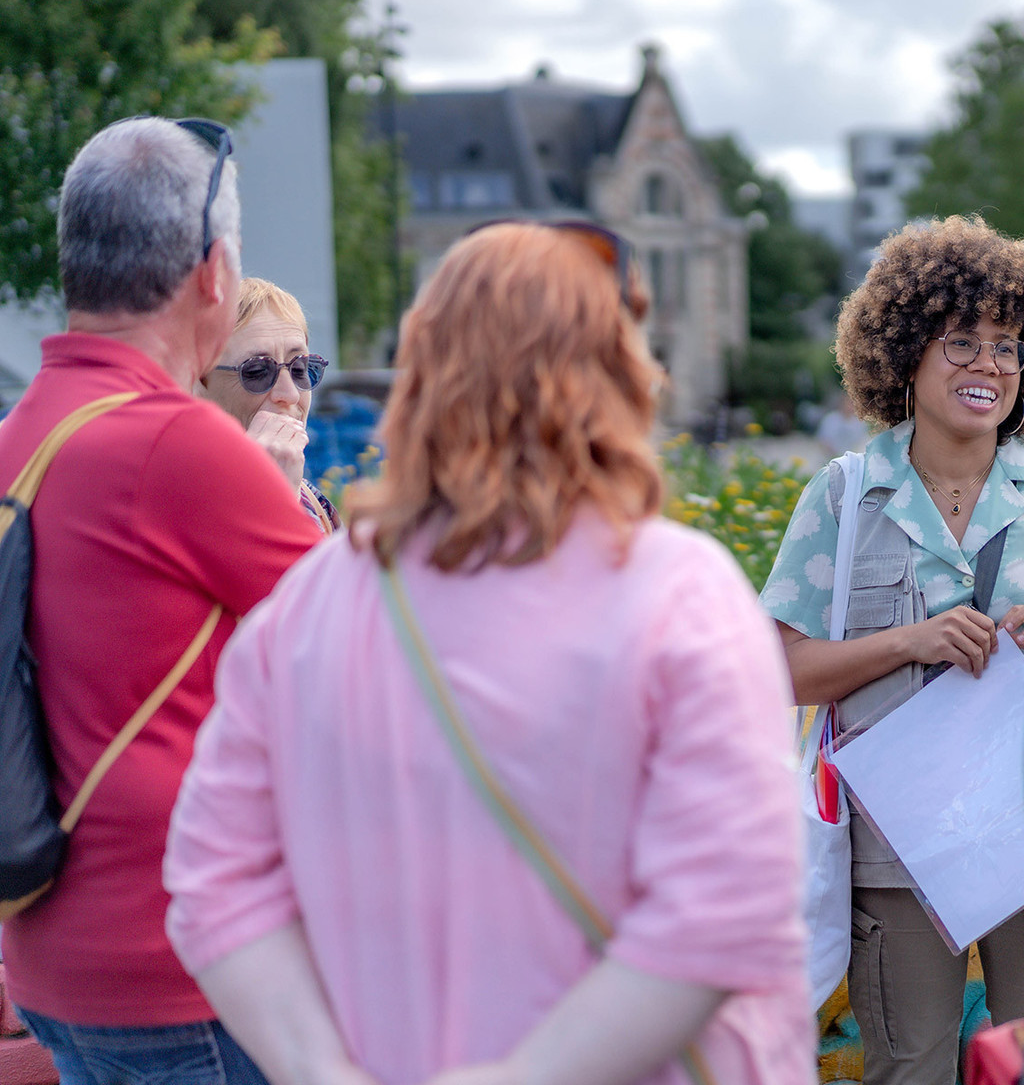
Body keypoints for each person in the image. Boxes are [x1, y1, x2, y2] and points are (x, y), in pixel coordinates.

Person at [163, 222, 812, 1085]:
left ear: (422, 377)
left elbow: (212, 881)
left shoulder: (311, 604)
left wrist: (318, 1069)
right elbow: (725, 912)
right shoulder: (679, 593)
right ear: (616, 372)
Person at [760, 215, 1024, 1085]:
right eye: (962, 342)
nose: (988, 366)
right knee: (907, 1069)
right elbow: (776, 669)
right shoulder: (843, 499)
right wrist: (907, 642)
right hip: (894, 851)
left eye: (1008, 347)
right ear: (904, 353)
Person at [0, 117, 319, 1083]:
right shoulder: (180, 446)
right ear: (214, 273)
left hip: (53, 955)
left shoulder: (21, 433)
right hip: (186, 961)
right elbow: (365, 651)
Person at [201, 278, 337, 533]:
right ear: (198, 383)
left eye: (300, 368)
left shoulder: (315, 503)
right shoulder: (177, 506)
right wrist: (272, 503)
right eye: (256, 371)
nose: (290, 395)